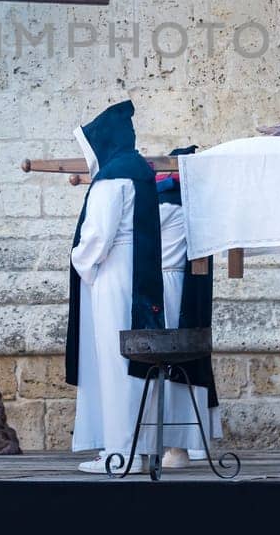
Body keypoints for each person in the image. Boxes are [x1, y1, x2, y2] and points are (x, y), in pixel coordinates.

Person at [67, 100, 166, 474]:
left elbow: (98, 235)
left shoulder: (111, 177)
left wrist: (82, 264)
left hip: (113, 273)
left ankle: (119, 452)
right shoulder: (139, 170)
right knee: (136, 362)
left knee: (116, 362)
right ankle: (139, 449)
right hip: (138, 270)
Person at [154, 149, 220, 469]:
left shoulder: (165, 202)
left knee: (167, 361)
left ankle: (176, 445)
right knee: (187, 363)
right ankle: (191, 444)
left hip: (167, 285)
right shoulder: (199, 205)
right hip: (184, 286)